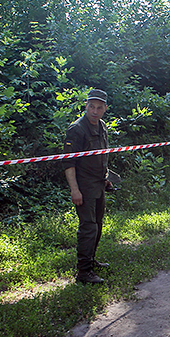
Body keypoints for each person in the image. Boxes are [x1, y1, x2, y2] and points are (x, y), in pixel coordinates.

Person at [62, 89, 114, 284]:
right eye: (91, 106)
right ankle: (83, 272)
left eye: (99, 108)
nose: (94, 111)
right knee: (88, 227)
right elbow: (68, 163)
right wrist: (75, 189)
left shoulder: (102, 126)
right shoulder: (77, 129)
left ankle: (91, 261)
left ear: (105, 109)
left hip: (99, 183)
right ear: (86, 106)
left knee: (97, 224)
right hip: (84, 185)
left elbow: (102, 155)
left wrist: (106, 177)